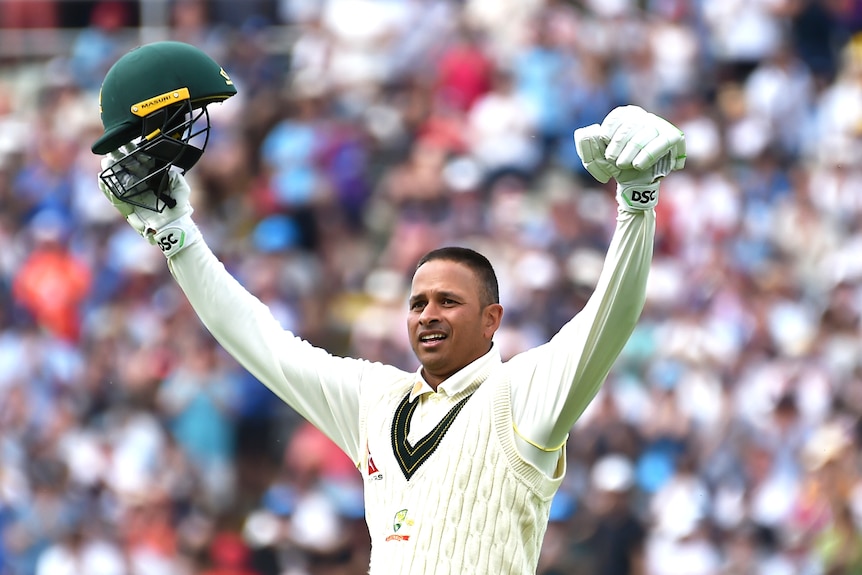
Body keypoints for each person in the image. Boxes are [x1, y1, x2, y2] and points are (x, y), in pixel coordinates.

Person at [91, 41, 685, 575]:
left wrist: (636, 203)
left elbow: (609, 321)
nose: (427, 314)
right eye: (417, 302)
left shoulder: (521, 396)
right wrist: (181, 240)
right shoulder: (377, 400)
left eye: (449, 302)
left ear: (491, 321)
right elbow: (260, 341)